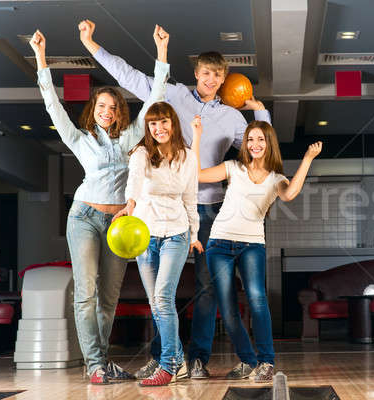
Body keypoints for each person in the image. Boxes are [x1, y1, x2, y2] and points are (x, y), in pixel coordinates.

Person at [78, 19, 271, 379]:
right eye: (205, 73)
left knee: (206, 288)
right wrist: (92, 46)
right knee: (160, 292)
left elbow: (261, 145)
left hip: (210, 210)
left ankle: (196, 358)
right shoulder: (175, 94)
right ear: (196, 73)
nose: (210, 80)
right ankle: (165, 355)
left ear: (224, 78)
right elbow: (131, 76)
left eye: (217, 75)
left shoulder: (232, 118)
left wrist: (258, 111)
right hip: (160, 209)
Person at [29, 26, 170, 384]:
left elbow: (154, 98)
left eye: (113, 106)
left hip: (120, 223)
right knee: (86, 291)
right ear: (95, 109)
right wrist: (42, 58)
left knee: (108, 297)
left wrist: (161, 52)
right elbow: (51, 103)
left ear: (120, 110)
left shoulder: (131, 136)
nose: (107, 111)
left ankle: (100, 362)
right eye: (102, 106)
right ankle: (94, 365)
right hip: (85, 218)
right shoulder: (78, 138)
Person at [191, 118, 322, 382]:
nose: (254, 144)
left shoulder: (276, 179)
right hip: (218, 244)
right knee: (228, 310)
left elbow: (290, 194)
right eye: (250, 139)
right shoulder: (234, 167)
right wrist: (196, 136)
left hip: (252, 245)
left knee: (257, 300)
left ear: (269, 143)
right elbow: (197, 174)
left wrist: (308, 158)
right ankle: (249, 361)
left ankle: (266, 362)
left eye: (260, 139)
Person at [114, 102, 203, 386]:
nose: (159, 128)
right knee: (156, 302)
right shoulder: (141, 153)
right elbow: (135, 182)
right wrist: (129, 204)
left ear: (173, 124)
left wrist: (195, 233)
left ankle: (169, 366)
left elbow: (191, 197)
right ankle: (178, 360)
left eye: (164, 122)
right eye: (153, 124)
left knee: (163, 298)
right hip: (145, 235)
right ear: (148, 128)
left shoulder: (187, 157)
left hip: (177, 234)